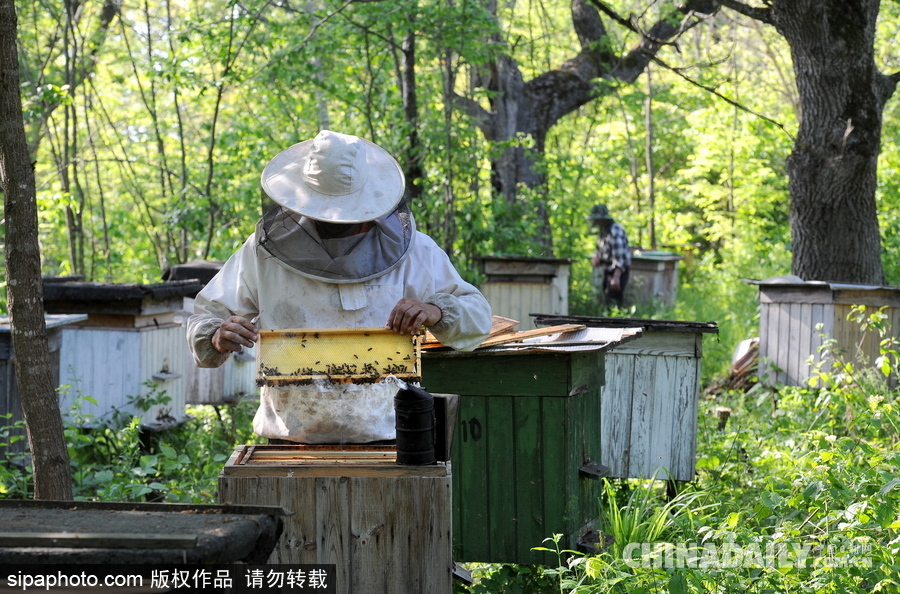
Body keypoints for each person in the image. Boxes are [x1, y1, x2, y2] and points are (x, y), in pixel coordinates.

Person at [187, 130, 492, 444]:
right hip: (289, 439)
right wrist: (217, 334)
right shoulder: (261, 253)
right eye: (326, 214)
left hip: (390, 436)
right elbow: (204, 318)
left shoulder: (416, 251)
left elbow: (478, 321)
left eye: (347, 215)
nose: (337, 222)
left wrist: (435, 311)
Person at [588, 203, 631, 307]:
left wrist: (616, 278)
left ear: (603, 219)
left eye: (597, 219)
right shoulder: (603, 232)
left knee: (614, 303)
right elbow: (600, 251)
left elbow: (619, 258)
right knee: (608, 301)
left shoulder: (615, 231)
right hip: (608, 271)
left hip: (618, 272)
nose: (595, 222)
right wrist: (597, 258)